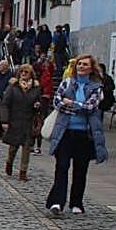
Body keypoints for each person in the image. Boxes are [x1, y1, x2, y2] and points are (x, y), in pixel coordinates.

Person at [46, 54, 108, 216]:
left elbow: (90, 108)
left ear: (91, 68)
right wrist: (77, 106)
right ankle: (57, 202)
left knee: (80, 169)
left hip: (84, 134)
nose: (81, 66)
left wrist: (71, 103)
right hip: (65, 132)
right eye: (79, 64)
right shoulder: (67, 83)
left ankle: (76, 202)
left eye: (85, 64)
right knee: (61, 166)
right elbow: (57, 102)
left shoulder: (96, 87)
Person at [0, 64, 43, 181]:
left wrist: (37, 105)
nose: (23, 74)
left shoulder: (35, 88)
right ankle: (9, 162)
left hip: (28, 121)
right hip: (15, 120)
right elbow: (5, 104)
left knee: (27, 147)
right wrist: (5, 120)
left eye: (26, 72)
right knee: (13, 147)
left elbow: (39, 102)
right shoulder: (13, 86)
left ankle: (23, 172)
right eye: (22, 72)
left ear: (31, 74)